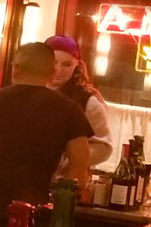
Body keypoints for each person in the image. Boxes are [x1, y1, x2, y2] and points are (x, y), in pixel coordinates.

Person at [0, 43, 96, 227]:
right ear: (52, 74)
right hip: (33, 217)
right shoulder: (68, 110)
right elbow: (79, 170)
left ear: (15, 68)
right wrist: (56, 197)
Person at [46, 35, 115, 165]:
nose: (58, 69)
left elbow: (104, 147)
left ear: (76, 65)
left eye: (67, 64)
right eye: (54, 62)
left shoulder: (88, 101)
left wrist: (69, 161)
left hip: (65, 180)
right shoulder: (27, 91)